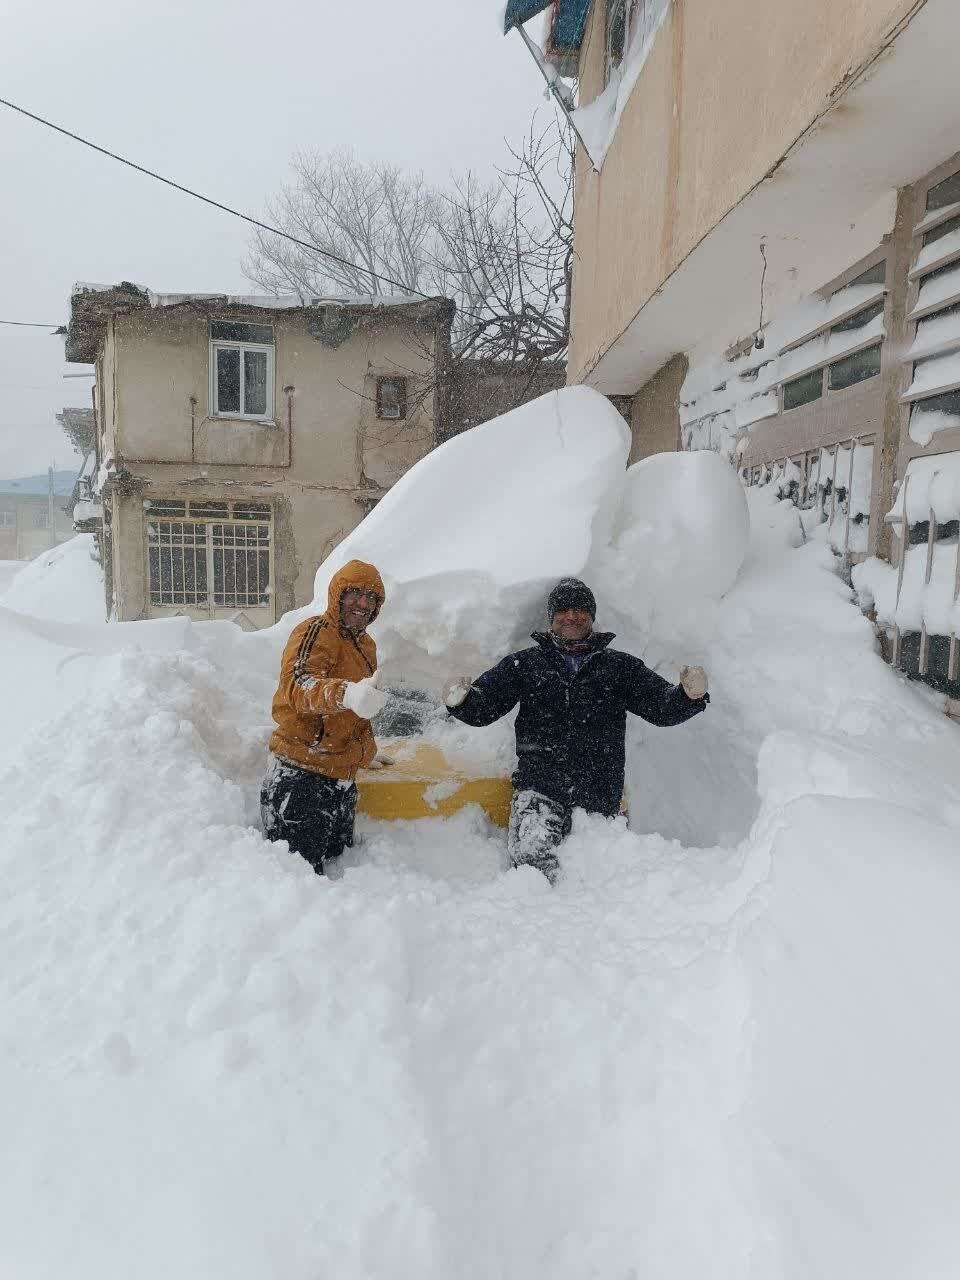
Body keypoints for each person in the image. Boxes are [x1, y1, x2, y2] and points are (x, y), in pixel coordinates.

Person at [443, 577, 709, 884]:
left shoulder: (620, 668)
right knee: (532, 871)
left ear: (592, 617)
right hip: (539, 792)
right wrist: (461, 701)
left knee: (599, 880)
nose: (572, 616)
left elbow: (662, 708)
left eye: (581, 609)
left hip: (599, 796)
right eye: (564, 609)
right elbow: (485, 707)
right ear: (551, 618)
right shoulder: (525, 665)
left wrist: (690, 696)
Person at [261, 559, 388, 875]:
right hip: (301, 778)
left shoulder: (365, 644)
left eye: (371, 597)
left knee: (340, 873)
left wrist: (363, 751)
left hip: (340, 779)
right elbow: (299, 685)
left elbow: (353, 714)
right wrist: (346, 693)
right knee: (301, 887)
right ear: (337, 595)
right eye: (354, 593)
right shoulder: (317, 631)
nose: (362, 603)